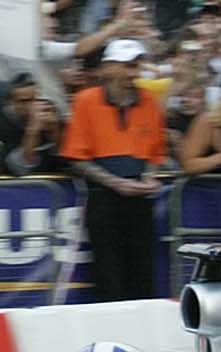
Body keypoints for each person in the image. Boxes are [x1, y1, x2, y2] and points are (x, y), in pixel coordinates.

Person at [60, 39, 169, 303]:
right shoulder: (86, 100)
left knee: (144, 277)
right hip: (104, 198)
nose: (134, 73)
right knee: (109, 277)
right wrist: (115, 183)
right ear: (109, 68)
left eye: (136, 66)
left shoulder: (148, 101)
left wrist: (149, 178)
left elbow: (155, 152)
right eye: (129, 66)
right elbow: (75, 157)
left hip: (140, 199)